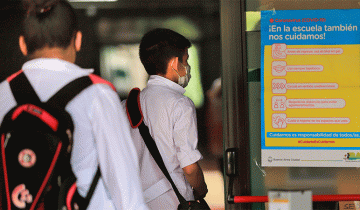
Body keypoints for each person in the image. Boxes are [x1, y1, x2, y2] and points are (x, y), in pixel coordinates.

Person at [0, 0, 149, 209]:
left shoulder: (3, 94)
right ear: (77, 40)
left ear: (22, 44)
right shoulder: (97, 93)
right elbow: (123, 181)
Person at [126, 28, 208, 209]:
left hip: (134, 201)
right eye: (185, 61)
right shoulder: (180, 104)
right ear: (173, 63)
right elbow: (189, 167)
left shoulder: (128, 105)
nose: (186, 67)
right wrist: (201, 189)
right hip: (172, 202)